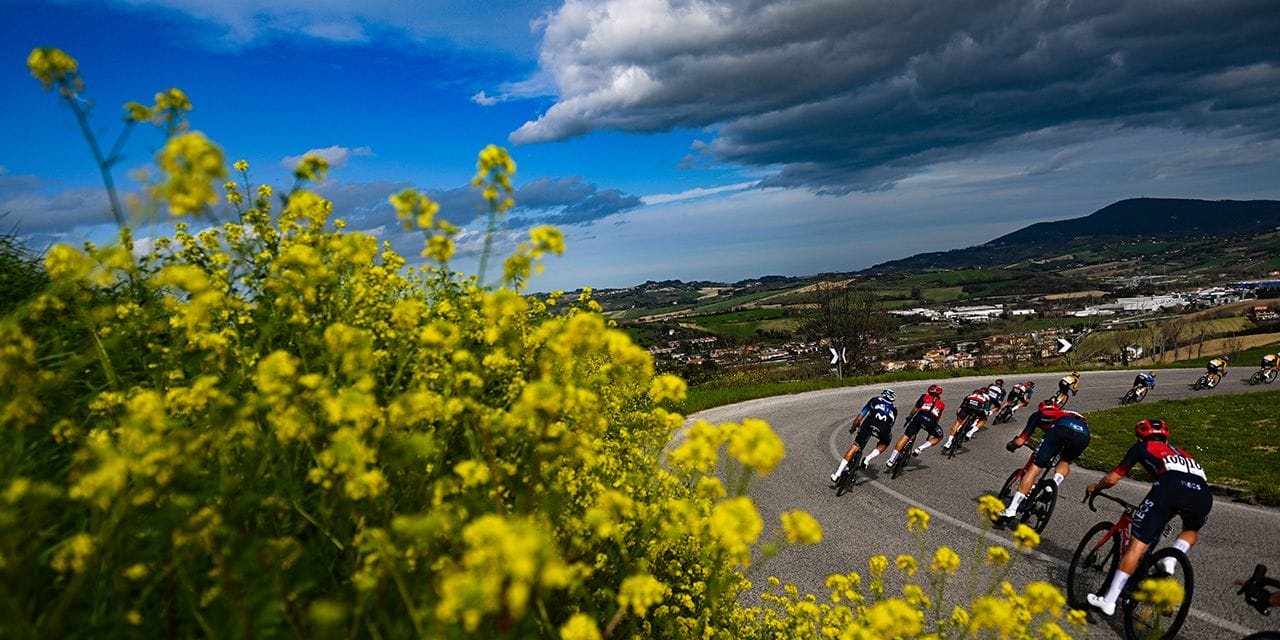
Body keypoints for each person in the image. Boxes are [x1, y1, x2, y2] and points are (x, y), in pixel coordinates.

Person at [1085, 419, 1213, 616]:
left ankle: (1108, 601)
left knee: (1138, 545)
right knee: (1190, 530)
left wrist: (1097, 487)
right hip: (1203, 493)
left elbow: (1113, 478)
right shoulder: (1182, 452)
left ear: (1139, 437)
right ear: (1166, 438)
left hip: (1171, 486)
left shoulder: (1141, 447)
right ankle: (1170, 560)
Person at [997, 399, 1091, 521]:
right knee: (1065, 461)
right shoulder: (1063, 413)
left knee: (1035, 467)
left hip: (1060, 430)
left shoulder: (1037, 416)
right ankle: (1053, 485)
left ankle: (1011, 510)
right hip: (1083, 435)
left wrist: (1012, 445)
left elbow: (1020, 441)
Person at [830, 389, 898, 484]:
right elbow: (890, 426)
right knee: (885, 443)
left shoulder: (874, 400)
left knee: (856, 446)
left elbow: (859, 418)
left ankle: (837, 474)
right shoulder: (894, 409)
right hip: (883, 429)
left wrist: (853, 428)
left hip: (869, 424)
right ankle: (868, 458)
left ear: (882, 395)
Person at [885, 385, 946, 467]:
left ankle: (891, 460)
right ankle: (920, 448)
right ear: (939, 394)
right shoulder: (942, 404)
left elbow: (916, 408)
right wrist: (931, 430)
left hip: (919, 418)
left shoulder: (924, 396)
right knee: (939, 436)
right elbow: (937, 418)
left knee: (905, 437)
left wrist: (910, 417)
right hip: (931, 422)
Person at [943, 387, 989, 451]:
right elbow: (986, 410)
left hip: (967, 408)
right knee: (984, 419)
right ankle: (970, 432)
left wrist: (958, 415)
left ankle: (948, 442)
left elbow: (960, 407)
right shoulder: (985, 398)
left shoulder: (969, 396)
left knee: (958, 422)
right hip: (978, 409)